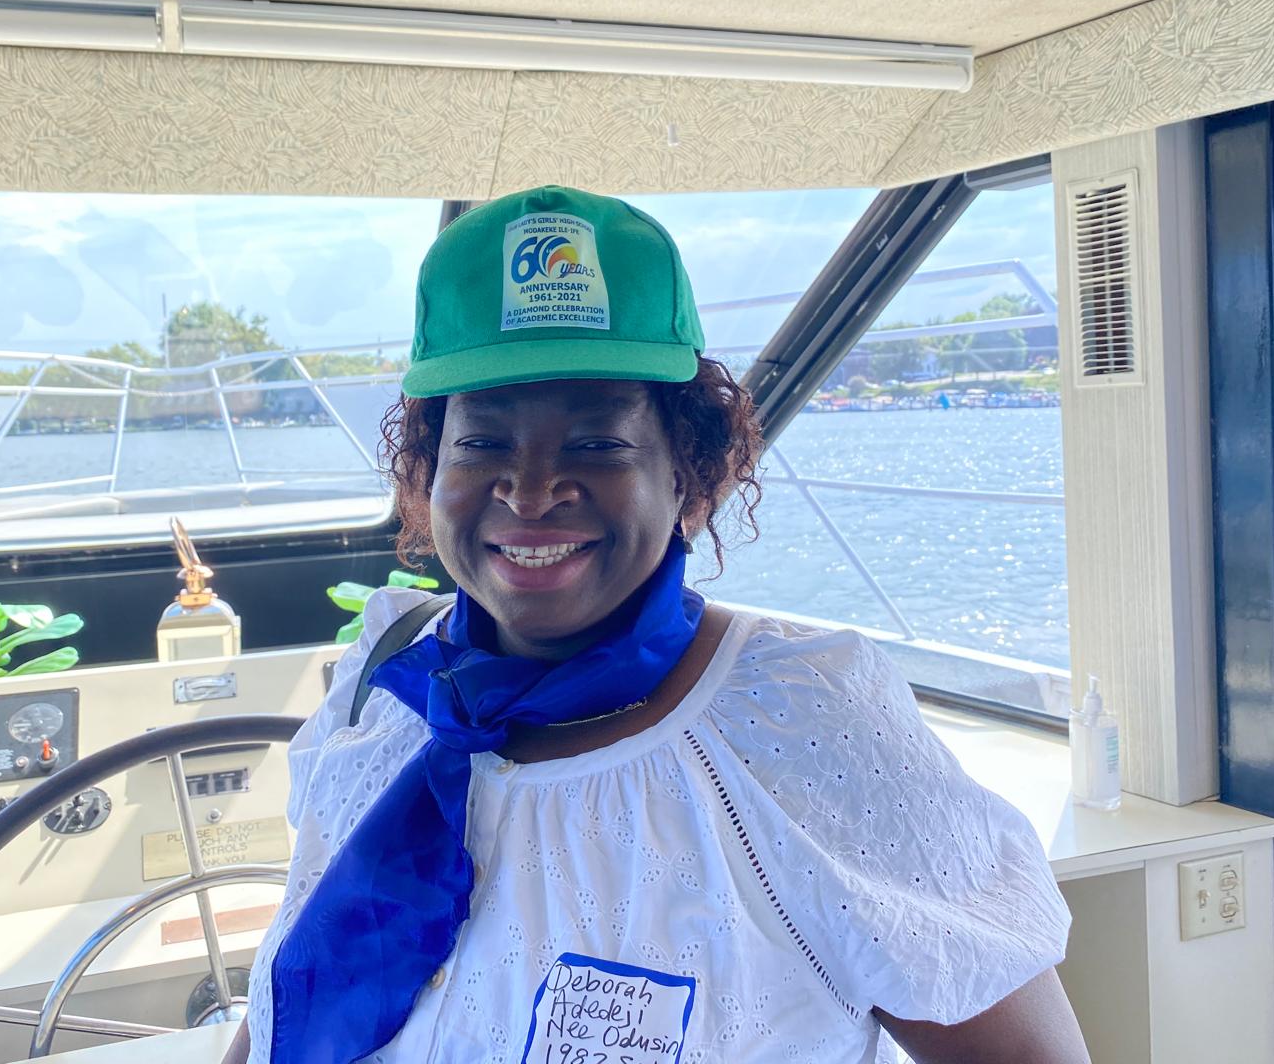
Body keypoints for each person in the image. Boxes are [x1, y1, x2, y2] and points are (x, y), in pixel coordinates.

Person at [225, 186, 1088, 1064]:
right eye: (482, 442)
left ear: (688, 473)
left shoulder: (804, 722)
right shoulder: (383, 677)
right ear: (427, 469)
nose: (531, 491)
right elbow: (288, 985)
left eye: (597, 443)